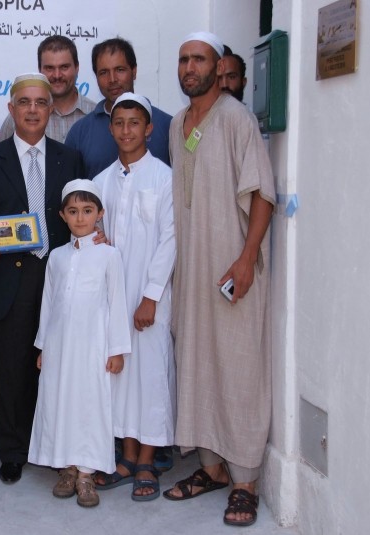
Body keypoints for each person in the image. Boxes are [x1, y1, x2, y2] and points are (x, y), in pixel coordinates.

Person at [162, 32, 275, 528]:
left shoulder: (235, 118)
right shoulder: (177, 124)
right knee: (197, 364)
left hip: (232, 269)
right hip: (191, 271)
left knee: (237, 368)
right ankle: (211, 469)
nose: (190, 67)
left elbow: (263, 192)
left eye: (199, 60)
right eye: (184, 60)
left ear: (217, 66)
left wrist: (247, 258)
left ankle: (244, 481)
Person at [0, 73, 84, 484]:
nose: (32, 109)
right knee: (14, 367)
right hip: (11, 276)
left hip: (60, 276)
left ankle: (55, 447)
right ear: (11, 108)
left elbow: (81, 212)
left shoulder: (70, 158)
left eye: (40, 102)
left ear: (50, 109)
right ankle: (14, 451)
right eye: (24, 102)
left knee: (58, 365)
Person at [90, 93, 176, 502]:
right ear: (111, 129)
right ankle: (125, 459)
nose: (126, 131)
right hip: (112, 298)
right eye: (119, 123)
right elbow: (95, 234)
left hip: (149, 298)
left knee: (152, 376)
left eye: (134, 123)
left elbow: (170, 239)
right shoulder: (101, 181)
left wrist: (151, 296)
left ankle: (146, 460)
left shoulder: (165, 178)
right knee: (120, 378)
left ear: (149, 129)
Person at [28, 179, 130, 508]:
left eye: (87, 211)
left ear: (100, 214)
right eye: (73, 211)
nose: (80, 217)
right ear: (62, 215)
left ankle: (86, 474)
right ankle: (67, 468)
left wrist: (117, 349)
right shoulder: (56, 257)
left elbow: (117, 303)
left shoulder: (109, 255)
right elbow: (48, 304)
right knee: (60, 401)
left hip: (94, 347)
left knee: (89, 403)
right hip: (60, 346)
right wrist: (43, 346)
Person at [65, 37, 173, 179]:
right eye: (104, 72)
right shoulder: (80, 132)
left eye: (120, 70)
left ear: (134, 71)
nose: (112, 79)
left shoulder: (167, 125)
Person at [0, 35, 96, 143]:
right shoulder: (18, 118)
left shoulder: (95, 115)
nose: (57, 75)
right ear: (40, 70)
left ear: (77, 68)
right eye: (49, 68)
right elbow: (1, 152)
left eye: (64, 67)